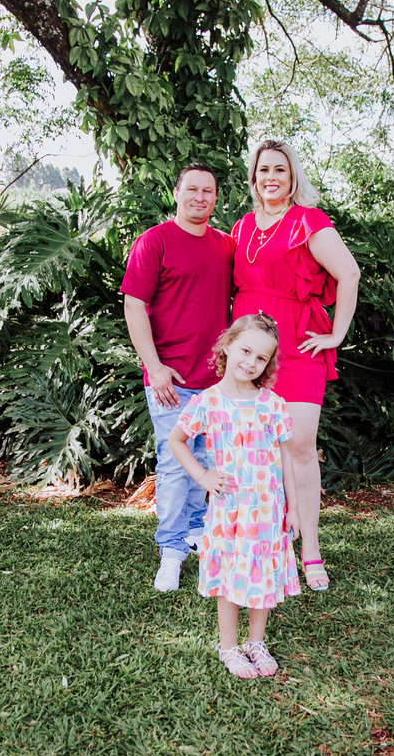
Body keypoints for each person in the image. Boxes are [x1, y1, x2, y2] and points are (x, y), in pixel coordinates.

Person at [230, 140, 360, 592]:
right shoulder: (242, 226)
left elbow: (349, 273)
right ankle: (271, 540)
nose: (271, 177)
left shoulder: (309, 220)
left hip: (298, 344)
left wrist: (336, 334)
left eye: (279, 170)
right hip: (251, 348)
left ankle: (311, 550)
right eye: (263, 169)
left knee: (300, 445)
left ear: (292, 177)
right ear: (253, 177)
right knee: (258, 449)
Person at [121, 163, 236, 593]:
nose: (200, 197)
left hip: (217, 382)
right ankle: (170, 552)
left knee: (205, 462)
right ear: (176, 192)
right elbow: (134, 306)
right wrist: (154, 367)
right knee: (174, 465)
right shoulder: (154, 242)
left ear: (216, 198)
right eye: (192, 189)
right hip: (171, 379)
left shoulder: (225, 246)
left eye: (208, 190)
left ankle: (195, 531)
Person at [169, 313, 300, 678]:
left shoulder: (273, 404)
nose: (251, 362)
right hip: (230, 510)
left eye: (261, 358)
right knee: (230, 575)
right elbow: (176, 440)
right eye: (246, 350)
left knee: (264, 574)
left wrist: (293, 508)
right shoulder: (208, 402)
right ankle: (228, 645)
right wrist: (202, 475)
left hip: (269, 510)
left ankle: (256, 642)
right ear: (227, 345)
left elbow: (286, 460)